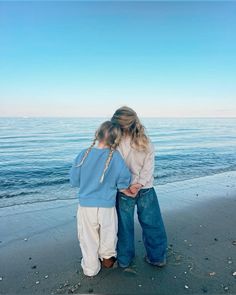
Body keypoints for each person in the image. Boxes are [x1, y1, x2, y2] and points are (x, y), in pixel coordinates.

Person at [70, 121, 131, 277]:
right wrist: (124, 188)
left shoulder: (83, 154)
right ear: (115, 140)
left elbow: (74, 181)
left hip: (86, 206)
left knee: (88, 237)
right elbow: (124, 179)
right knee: (109, 234)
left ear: (97, 134)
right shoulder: (116, 157)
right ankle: (107, 260)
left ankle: (91, 269)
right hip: (107, 206)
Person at [111, 106, 167, 268]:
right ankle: (157, 257)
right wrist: (140, 183)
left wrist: (124, 188)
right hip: (145, 188)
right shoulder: (146, 141)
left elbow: (114, 168)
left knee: (124, 227)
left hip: (124, 191)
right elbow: (149, 167)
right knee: (153, 223)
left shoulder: (115, 143)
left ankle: (124, 259)